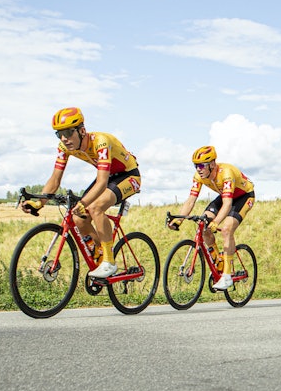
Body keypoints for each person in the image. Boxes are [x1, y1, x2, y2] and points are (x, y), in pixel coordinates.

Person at [21, 107, 140, 279]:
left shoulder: (101, 141)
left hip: (128, 175)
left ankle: (109, 262)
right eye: (59, 134)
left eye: (69, 133)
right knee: (78, 219)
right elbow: (55, 179)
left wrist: (83, 203)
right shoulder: (64, 147)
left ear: (82, 130)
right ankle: (103, 252)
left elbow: (102, 182)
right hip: (108, 177)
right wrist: (39, 203)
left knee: (95, 207)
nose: (64, 139)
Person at [167, 146, 255, 290]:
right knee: (203, 224)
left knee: (226, 229)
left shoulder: (226, 173)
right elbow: (190, 200)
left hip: (244, 196)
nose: (198, 169)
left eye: (201, 165)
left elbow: (227, 204)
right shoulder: (198, 176)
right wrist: (179, 219)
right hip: (225, 195)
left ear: (212, 164)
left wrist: (216, 222)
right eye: (196, 166)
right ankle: (218, 260)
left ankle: (226, 276)